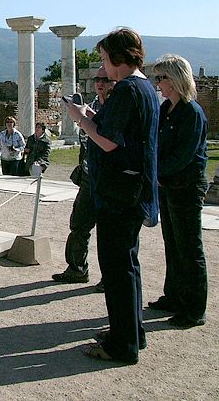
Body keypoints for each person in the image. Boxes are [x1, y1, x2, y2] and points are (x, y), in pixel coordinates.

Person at [66, 27, 159, 364]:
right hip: (131, 190)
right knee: (128, 266)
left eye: (105, 59)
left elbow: (108, 141)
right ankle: (132, 332)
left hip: (120, 192)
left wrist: (80, 120)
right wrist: (92, 118)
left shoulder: (127, 91)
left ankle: (123, 345)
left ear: (120, 58)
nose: (103, 66)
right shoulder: (144, 88)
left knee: (118, 270)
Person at [149, 54, 208, 328]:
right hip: (168, 186)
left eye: (162, 78)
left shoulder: (192, 113)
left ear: (175, 79)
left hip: (186, 188)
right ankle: (173, 296)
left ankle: (194, 309)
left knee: (190, 248)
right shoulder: (166, 110)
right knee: (172, 245)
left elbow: (184, 156)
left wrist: (155, 172)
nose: (158, 83)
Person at [52, 66, 115, 289]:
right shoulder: (92, 105)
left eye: (106, 79)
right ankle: (77, 268)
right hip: (90, 175)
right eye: (98, 79)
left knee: (110, 233)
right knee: (79, 223)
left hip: (109, 179)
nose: (101, 83)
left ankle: (112, 277)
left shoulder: (117, 107)